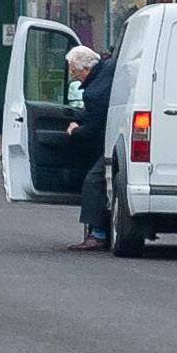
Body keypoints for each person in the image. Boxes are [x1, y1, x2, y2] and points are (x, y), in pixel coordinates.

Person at [65, 43, 116, 250]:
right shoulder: (109, 68)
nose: (74, 78)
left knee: (93, 182)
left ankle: (97, 234)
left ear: (86, 69)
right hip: (116, 137)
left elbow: (93, 128)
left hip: (111, 142)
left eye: (75, 72)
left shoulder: (94, 92)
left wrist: (75, 130)